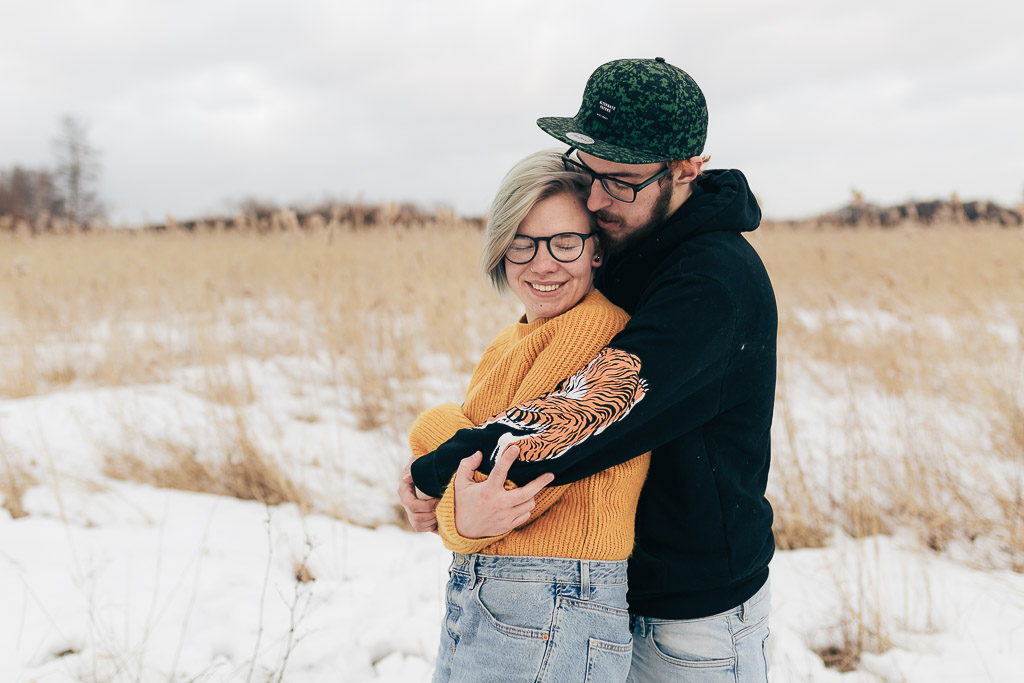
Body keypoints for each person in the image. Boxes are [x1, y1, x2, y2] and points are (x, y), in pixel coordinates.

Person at [404, 57, 777, 681]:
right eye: (588, 172)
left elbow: (582, 412)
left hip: (690, 620)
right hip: (603, 597)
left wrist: (435, 471)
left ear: (688, 169)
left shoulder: (712, 284)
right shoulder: (626, 242)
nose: (598, 199)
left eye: (623, 181)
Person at [402, 149, 650, 682]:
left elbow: (516, 471)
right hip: (507, 592)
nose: (543, 263)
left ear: (596, 252)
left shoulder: (593, 330)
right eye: (522, 243)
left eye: (565, 242)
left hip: (554, 597)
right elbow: (471, 465)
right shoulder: (513, 338)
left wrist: (430, 427)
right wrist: (451, 500)